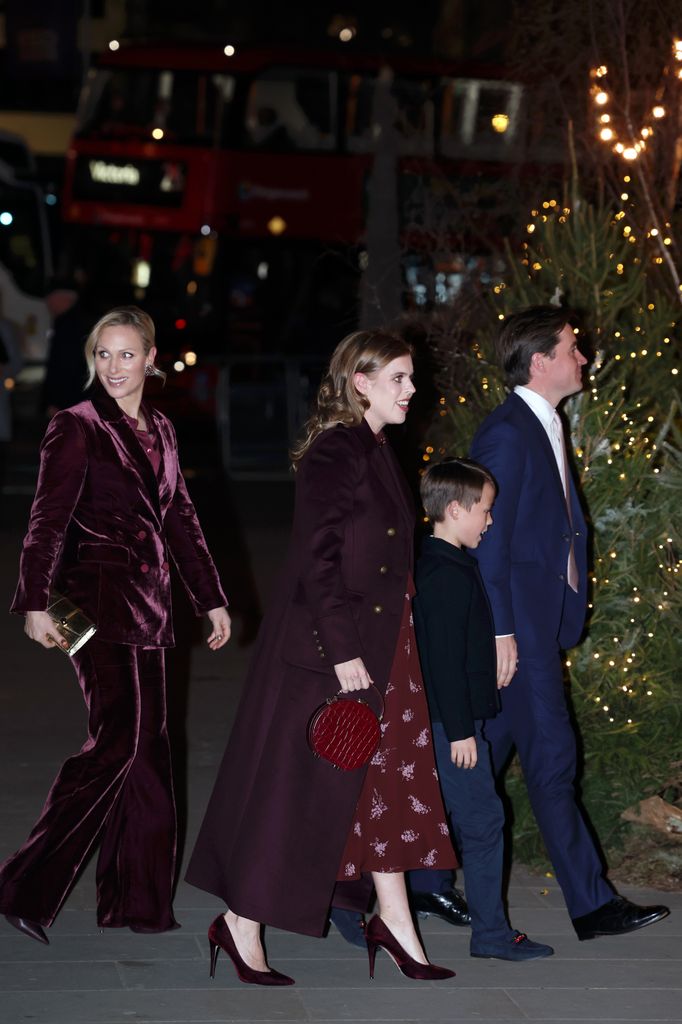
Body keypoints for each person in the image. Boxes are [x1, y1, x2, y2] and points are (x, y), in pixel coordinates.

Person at [186, 329, 456, 985]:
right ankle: (241, 924)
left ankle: (394, 920)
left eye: (410, 377)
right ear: (360, 381)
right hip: (327, 652)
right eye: (399, 377)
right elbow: (318, 557)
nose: (412, 389)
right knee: (291, 790)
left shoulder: (377, 447)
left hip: (377, 643)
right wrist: (341, 652)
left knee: (380, 783)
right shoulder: (338, 451)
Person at [0, 306, 231, 945]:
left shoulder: (162, 428)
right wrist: (33, 603)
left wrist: (210, 597)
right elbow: (45, 521)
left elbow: (180, 517)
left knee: (151, 754)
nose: (114, 367)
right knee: (117, 742)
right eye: (103, 354)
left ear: (151, 359)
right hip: (90, 608)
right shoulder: (74, 427)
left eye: (126, 354)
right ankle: (23, 884)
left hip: (152, 608)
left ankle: (137, 901)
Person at [463, 305, 668, 940]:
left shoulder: (543, 424)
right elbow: (486, 544)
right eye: (573, 348)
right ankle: (592, 905)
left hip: (538, 626)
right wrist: (501, 633)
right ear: (540, 360)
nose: (584, 357)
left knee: (482, 755)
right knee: (552, 760)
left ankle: (411, 878)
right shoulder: (507, 433)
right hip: (519, 632)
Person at [414, 457, 553, 960]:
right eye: (485, 511)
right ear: (455, 509)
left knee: (440, 816)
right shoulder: (444, 574)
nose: (490, 521)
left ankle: (357, 900)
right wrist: (460, 732)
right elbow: (444, 664)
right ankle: (492, 936)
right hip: (453, 725)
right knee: (485, 822)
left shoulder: (444, 564)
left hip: (453, 721)